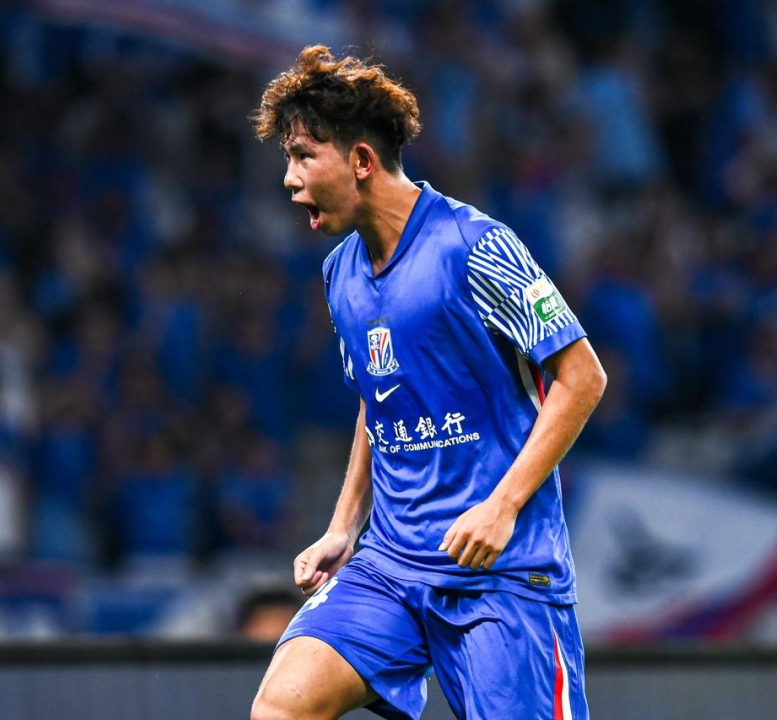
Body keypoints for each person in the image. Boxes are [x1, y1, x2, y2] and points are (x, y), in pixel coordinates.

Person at [248, 45, 606, 720]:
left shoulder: (475, 246)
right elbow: (378, 397)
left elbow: (583, 376)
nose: (289, 180)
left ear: (360, 160)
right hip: (391, 565)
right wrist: (343, 526)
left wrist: (502, 506)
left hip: (500, 574)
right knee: (282, 707)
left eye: (302, 156)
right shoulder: (340, 272)